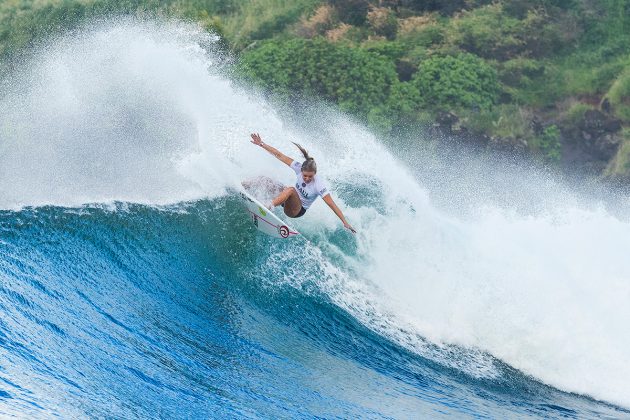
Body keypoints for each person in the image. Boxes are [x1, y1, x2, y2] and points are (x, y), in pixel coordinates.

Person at [250, 133, 356, 234]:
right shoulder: (298, 167)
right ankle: (242, 185)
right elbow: (280, 155)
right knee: (265, 180)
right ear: (302, 171)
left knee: (291, 190)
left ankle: (267, 206)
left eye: (310, 176)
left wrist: (344, 222)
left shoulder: (318, 185)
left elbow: (331, 204)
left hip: (296, 210)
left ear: (315, 173)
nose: (307, 178)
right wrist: (261, 144)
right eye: (305, 175)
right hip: (287, 199)